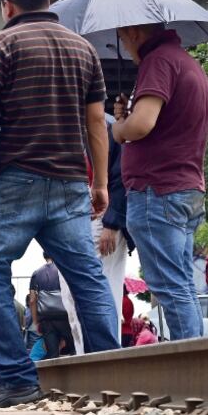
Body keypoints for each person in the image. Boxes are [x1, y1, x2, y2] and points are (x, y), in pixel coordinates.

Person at [0, 0, 118, 408]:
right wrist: (100, 184)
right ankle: (112, 372)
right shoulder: (81, 49)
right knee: (87, 279)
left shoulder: (2, 43)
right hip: (70, 182)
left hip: (13, 182)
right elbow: (95, 124)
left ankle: (15, 379)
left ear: (7, 6)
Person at [112, 13, 208, 341]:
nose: (124, 47)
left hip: (158, 190)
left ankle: (193, 368)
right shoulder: (187, 63)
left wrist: (119, 129)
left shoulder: (158, 62)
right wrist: (128, 117)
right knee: (180, 283)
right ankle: (198, 358)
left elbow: (141, 125)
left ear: (134, 31)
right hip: (184, 189)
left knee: (170, 286)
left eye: (123, 39)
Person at [62, 115, 131, 352]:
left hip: (101, 220)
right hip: (72, 223)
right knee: (71, 298)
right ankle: (86, 359)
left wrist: (112, 223)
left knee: (106, 292)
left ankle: (107, 357)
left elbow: (121, 177)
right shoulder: (63, 124)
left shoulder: (108, 127)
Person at [29, 253, 74, 359]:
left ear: (44, 256)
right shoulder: (63, 270)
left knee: (52, 354)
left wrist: (36, 321)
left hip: (46, 320)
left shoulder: (36, 274)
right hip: (65, 317)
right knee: (74, 350)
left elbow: (32, 300)